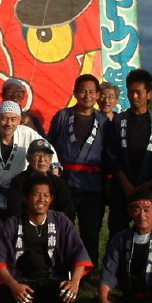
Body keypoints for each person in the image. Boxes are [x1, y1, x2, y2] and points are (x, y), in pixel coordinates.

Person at [0, 174, 92, 303]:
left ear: (51, 199)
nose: (41, 199)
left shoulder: (61, 221)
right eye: (36, 194)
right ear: (26, 198)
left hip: (51, 281)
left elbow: (78, 252)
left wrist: (74, 282)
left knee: (67, 295)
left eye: (46, 195)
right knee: (11, 296)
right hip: (21, 282)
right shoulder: (12, 223)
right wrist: (14, 285)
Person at [48, 74, 110, 269]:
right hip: (65, 183)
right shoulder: (62, 116)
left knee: (90, 232)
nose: (87, 96)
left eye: (92, 92)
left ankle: (88, 270)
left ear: (98, 95)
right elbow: (51, 147)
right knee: (62, 229)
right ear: (75, 93)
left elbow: (109, 155)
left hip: (93, 186)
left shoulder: (104, 122)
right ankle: (61, 267)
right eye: (83, 91)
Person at [0, 101, 58, 225]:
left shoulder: (27, 133)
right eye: (4, 118)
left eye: (13, 119)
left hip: (19, 195)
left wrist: (50, 179)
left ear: (19, 120)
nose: (9, 123)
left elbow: (50, 154)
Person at [106, 68, 152, 240]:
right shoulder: (118, 121)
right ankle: (115, 266)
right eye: (130, 92)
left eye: (138, 92)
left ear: (149, 94)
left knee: (147, 232)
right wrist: (125, 183)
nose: (134, 96)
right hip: (122, 187)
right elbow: (111, 155)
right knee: (117, 230)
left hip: (149, 188)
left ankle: (146, 266)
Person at [6, 138, 76, 222]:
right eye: (37, 155)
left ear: (51, 160)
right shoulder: (18, 181)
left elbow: (68, 209)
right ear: (28, 158)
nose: (42, 160)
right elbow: (14, 210)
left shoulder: (58, 182)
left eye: (46, 155)